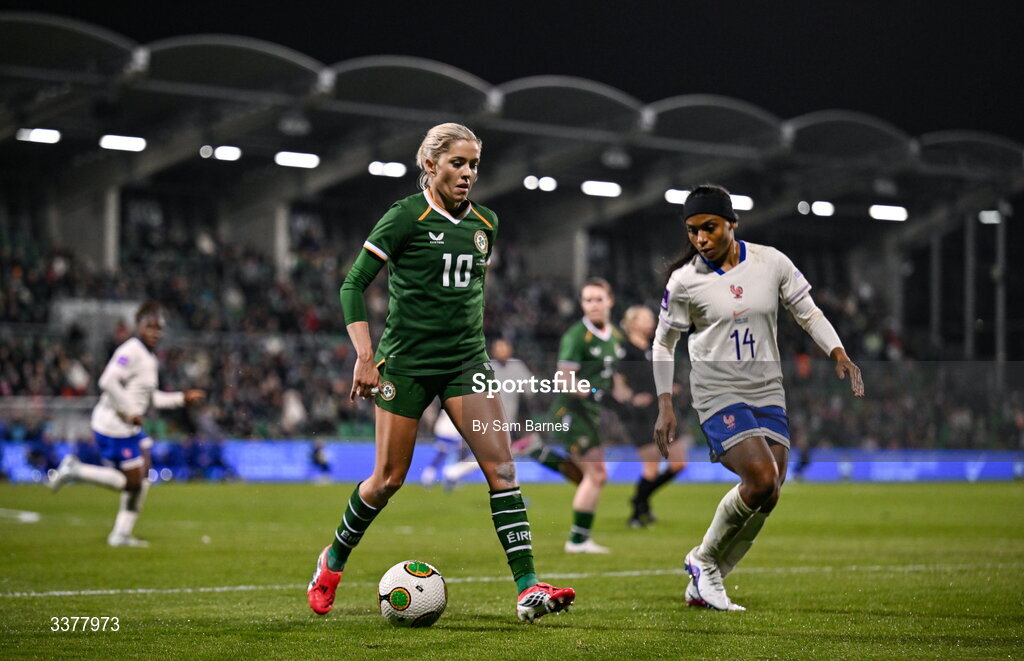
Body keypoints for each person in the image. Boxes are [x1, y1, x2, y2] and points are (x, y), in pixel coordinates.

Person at [306, 123, 575, 623]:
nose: (468, 173)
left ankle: (527, 588)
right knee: (388, 480)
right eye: (458, 163)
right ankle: (333, 560)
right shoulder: (406, 216)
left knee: (502, 469)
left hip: (465, 362)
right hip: (405, 363)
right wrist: (365, 356)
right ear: (430, 165)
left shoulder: (486, 224)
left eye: (474, 164)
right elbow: (352, 285)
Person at [653, 184, 864, 610]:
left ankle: (707, 576)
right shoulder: (684, 282)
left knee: (771, 491)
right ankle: (704, 563)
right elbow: (663, 344)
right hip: (717, 390)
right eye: (692, 231)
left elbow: (807, 311)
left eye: (709, 228)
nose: (700, 239)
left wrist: (837, 351)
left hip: (767, 387)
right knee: (762, 478)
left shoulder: (771, 262)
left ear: (732, 223)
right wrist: (665, 403)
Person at [49, 302, 205, 546]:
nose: (155, 333)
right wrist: (129, 410)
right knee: (131, 482)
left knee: (143, 476)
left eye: (159, 328)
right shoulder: (130, 351)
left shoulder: (149, 358)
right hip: (114, 425)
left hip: (129, 426)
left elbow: (150, 398)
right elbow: (107, 381)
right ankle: (76, 471)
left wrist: (181, 398)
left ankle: (121, 533)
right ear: (138, 327)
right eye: (150, 327)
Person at [538, 278, 624, 554]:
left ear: (610, 301)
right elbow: (563, 380)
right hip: (571, 413)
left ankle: (537, 453)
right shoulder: (576, 336)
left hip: (590, 414)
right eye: (588, 300)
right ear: (581, 304)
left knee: (590, 476)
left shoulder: (615, 336)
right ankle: (577, 541)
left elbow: (614, 379)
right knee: (596, 475)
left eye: (599, 299)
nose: (593, 305)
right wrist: (590, 391)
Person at [617, 305, 687, 528]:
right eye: (646, 318)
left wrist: (669, 387)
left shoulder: (654, 347)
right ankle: (636, 514)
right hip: (639, 416)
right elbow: (617, 385)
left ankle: (640, 500)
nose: (651, 321)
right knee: (651, 467)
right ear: (632, 322)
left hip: (660, 412)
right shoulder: (624, 350)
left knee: (679, 464)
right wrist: (632, 398)